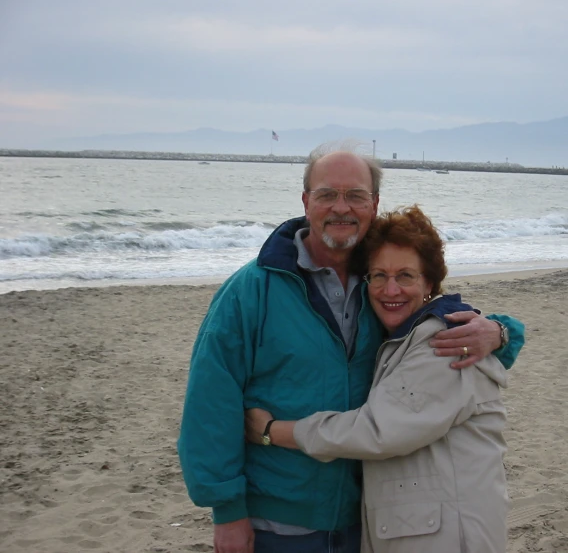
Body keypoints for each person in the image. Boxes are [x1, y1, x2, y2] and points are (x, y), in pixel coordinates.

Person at [178, 144, 524, 553]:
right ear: (306, 201)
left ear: (374, 204)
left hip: (363, 520)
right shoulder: (252, 291)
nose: (341, 207)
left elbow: (448, 328)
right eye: (327, 194)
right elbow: (210, 402)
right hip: (277, 522)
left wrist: (502, 331)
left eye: (356, 195)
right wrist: (227, 510)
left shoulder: (379, 286)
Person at [244, 205, 510, 553]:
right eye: (378, 276)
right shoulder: (400, 338)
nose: (391, 290)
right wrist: (504, 331)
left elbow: (377, 431)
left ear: (429, 282)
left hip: (447, 536)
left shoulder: (443, 341)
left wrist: (272, 431)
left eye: (405, 276)